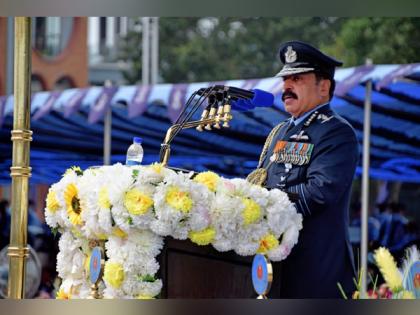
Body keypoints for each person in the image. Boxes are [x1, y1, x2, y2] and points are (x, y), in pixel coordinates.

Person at [251, 40, 359, 298]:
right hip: (276, 269)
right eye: (286, 79)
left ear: (324, 86)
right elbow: (262, 181)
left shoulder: (337, 132)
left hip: (315, 271)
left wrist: (263, 203)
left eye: (297, 78)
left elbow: (320, 192)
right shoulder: (280, 131)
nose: (287, 86)